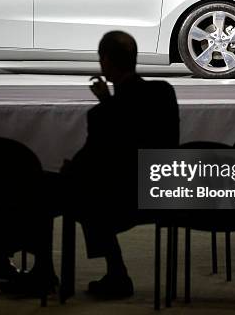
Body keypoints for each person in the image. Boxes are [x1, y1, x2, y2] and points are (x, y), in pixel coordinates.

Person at [64, 31, 180, 297]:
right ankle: (115, 272)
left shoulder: (102, 113)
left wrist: (70, 169)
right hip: (161, 191)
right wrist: (109, 102)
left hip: (121, 199)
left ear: (105, 62)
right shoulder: (164, 92)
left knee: (77, 189)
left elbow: (97, 152)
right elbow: (134, 125)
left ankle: (115, 270)